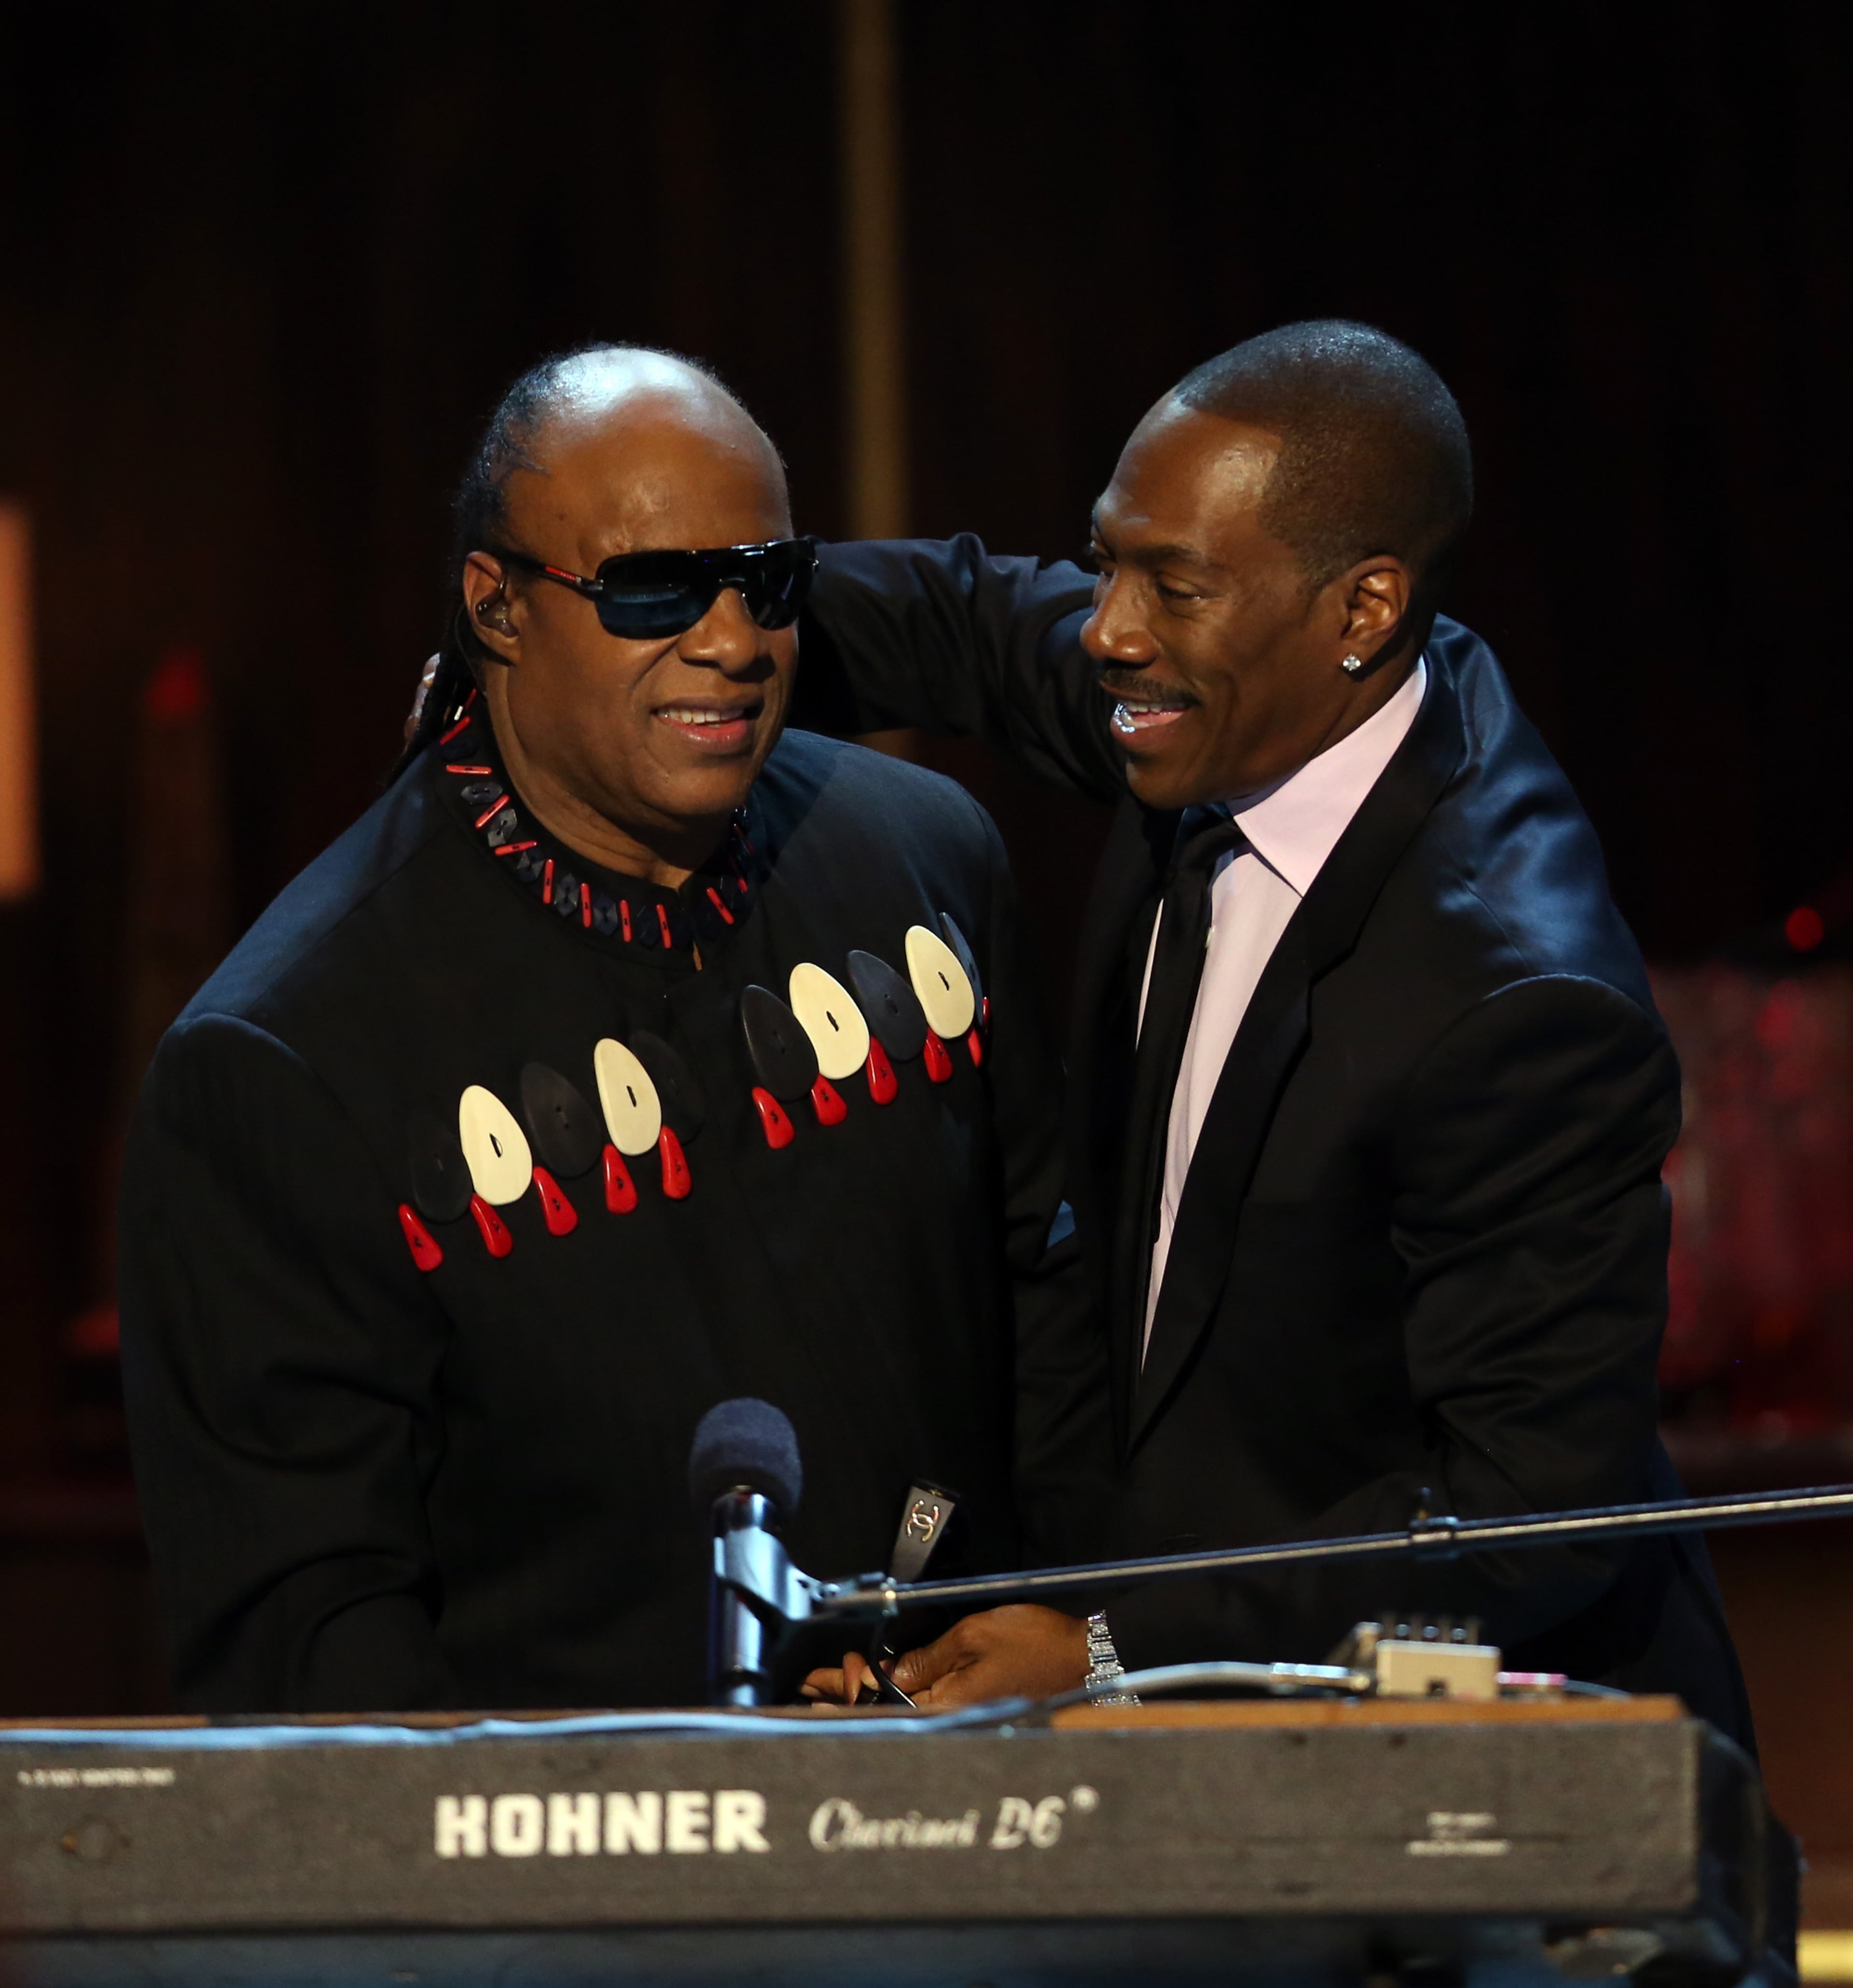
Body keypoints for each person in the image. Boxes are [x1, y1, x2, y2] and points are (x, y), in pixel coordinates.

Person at [797, 321, 1753, 1745]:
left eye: (1170, 585)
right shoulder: (1242, 692)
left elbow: (1529, 1519)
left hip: (1460, 1765)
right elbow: (963, 622)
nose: (1108, 629)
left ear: (1362, 609)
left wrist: (1111, 1647)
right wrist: (685, 615)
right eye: (1109, 563)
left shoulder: (1519, 1008)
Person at [119, 345, 1106, 1712]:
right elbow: (312, 1644)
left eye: (769, 582)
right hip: (570, 1833)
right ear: (498, 606)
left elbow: (1055, 1340)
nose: (734, 642)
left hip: (992, 1774)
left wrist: (1084, 1648)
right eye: (653, 590)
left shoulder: (924, 852)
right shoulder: (283, 1057)